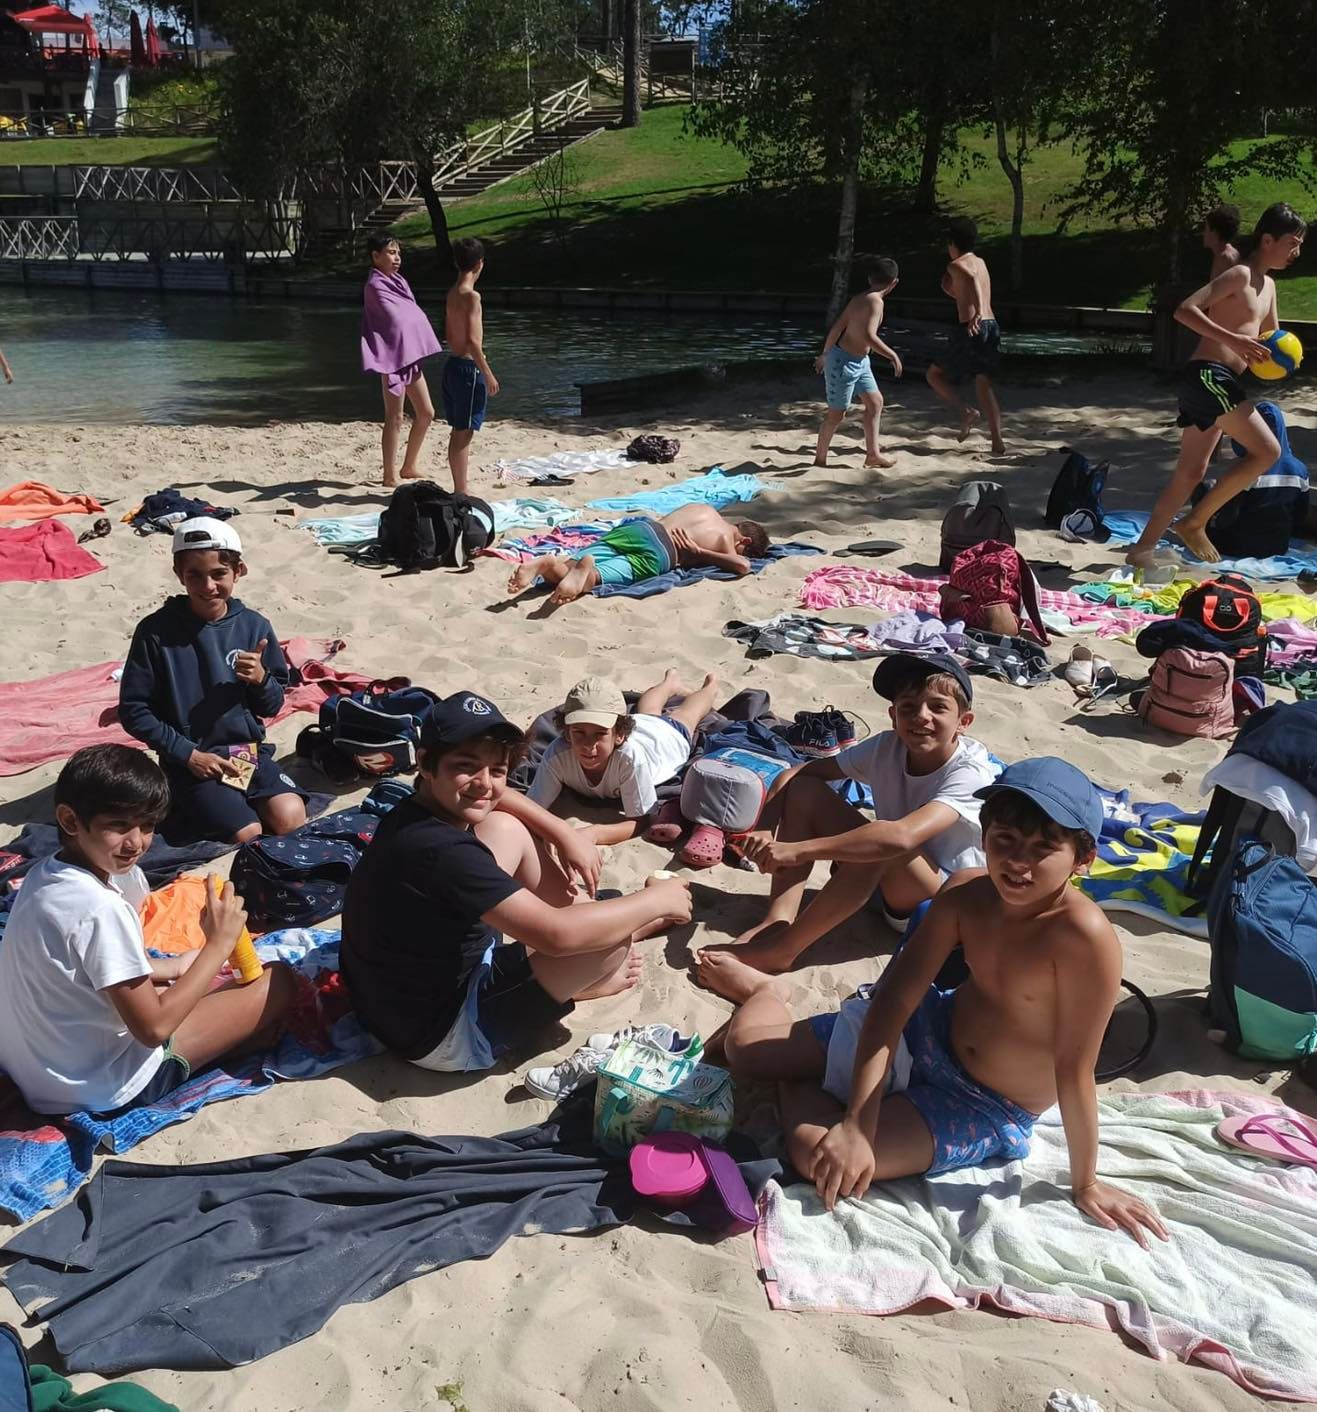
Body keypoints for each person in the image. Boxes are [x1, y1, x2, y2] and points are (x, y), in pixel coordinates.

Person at [712, 757, 1169, 1247]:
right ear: (984, 835)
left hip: (986, 1102)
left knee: (818, 1159)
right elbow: (894, 1002)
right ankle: (765, 992)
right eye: (1005, 839)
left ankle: (798, 1080)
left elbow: (1075, 1070)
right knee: (744, 1051)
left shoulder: (1085, 939)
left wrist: (1086, 1183)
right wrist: (859, 1122)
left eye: (1043, 848)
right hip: (925, 1031)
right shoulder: (965, 895)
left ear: (1083, 858)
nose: (1019, 861)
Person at [340, 692, 693, 1073]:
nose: (484, 783)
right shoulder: (443, 852)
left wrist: (561, 831)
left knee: (505, 826)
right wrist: (658, 899)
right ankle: (587, 977)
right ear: (426, 763)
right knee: (609, 944)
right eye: (465, 766)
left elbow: (500, 797)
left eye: (497, 769)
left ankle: (587, 928)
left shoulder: (416, 814)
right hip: (445, 1034)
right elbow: (556, 936)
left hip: (391, 996)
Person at [0, 745, 296, 1115]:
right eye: (118, 826)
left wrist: (173, 967)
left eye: (148, 826)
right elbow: (154, 1029)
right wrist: (217, 946)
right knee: (278, 982)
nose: (136, 843)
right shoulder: (99, 909)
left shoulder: (42, 875)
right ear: (70, 821)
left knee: (186, 985)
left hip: (37, 1070)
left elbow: (81, 966)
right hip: (96, 1087)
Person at [697, 654, 996, 999]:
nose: (921, 716)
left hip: (936, 907)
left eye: (938, 707)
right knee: (806, 791)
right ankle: (778, 918)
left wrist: (798, 851)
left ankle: (784, 950)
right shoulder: (887, 746)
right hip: (884, 885)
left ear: (964, 721)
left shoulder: (970, 772)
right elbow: (797, 774)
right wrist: (764, 826)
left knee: (883, 840)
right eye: (909, 707)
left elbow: (901, 836)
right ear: (893, 715)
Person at [1125, 201, 1307, 566]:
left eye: (1300, 245)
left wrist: (1282, 359)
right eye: (1292, 243)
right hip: (1208, 375)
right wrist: (1235, 340)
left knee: (1191, 473)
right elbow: (1185, 310)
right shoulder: (1239, 274)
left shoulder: (1269, 287)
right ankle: (1195, 522)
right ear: (1267, 240)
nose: (1297, 252)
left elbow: (1270, 342)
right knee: (1267, 451)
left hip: (1217, 380)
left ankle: (1141, 550)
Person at [118, 517, 309, 845]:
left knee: (290, 817)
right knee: (248, 833)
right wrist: (187, 754)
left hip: (243, 753)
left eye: (219, 574)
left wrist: (261, 680)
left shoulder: (254, 626)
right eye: (195, 575)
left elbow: (272, 705)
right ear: (179, 574)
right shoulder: (155, 633)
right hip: (191, 762)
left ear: (238, 571)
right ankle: (193, 800)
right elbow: (134, 710)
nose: (208, 586)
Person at [528, 670, 721, 845]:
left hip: (665, 739)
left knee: (685, 715)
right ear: (566, 731)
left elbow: (641, 820)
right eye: (579, 732)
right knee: (649, 711)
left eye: (599, 734)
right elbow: (533, 808)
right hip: (639, 726)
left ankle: (710, 687)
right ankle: (670, 682)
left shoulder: (628, 759)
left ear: (619, 734)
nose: (588, 745)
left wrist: (594, 834)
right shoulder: (557, 755)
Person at [505, 504, 771, 607]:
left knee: (568, 568)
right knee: (594, 577)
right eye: (745, 549)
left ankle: (548, 563)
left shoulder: (704, 509)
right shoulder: (725, 538)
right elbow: (742, 566)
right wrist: (699, 552)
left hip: (642, 529)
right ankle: (586, 575)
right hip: (662, 553)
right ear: (745, 540)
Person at [360, 234, 441, 489]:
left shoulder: (399, 281)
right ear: (376, 256)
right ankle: (389, 474)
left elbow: (410, 312)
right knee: (395, 416)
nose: (397, 258)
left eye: (398, 253)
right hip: (392, 358)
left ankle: (409, 466)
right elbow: (394, 319)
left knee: (427, 413)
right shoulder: (374, 285)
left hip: (410, 357)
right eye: (391, 252)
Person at [814, 256, 903, 469]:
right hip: (843, 363)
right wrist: (892, 355)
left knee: (875, 402)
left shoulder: (859, 298)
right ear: (894, 283)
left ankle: (873, 455)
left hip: (861, 361)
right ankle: (819, 459)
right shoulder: (875, 301)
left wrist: (825, 352)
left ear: (870, 278)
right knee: (836, 415)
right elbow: (869, 336)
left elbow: (837, 327)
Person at [925, 217, 1005, 454]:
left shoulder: (956, 265)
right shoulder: (980, 261)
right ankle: (997, 440)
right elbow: (972, 286)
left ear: (952, 243)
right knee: (983, 383)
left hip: (970, 328)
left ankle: (965, 410)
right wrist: (953, 293)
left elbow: (971, 278)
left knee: (933, 374)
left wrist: (977, 311)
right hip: (991, 325)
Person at [443, 236, 500, 496]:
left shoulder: (452, 293)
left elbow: (450, 335)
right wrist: (488, 374)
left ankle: (460, 487)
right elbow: (473, 342)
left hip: (452, 365)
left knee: (458, 431)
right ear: (479, 264)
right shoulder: (472, 297)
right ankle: (461, 490)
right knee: (463, 433)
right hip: (468, 369)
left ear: (457, 263)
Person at [1203, 203, 1243, 279]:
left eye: (1206, 229)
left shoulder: (1225, 259)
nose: (1204, 233)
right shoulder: (1222, 253)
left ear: (1215, 234)